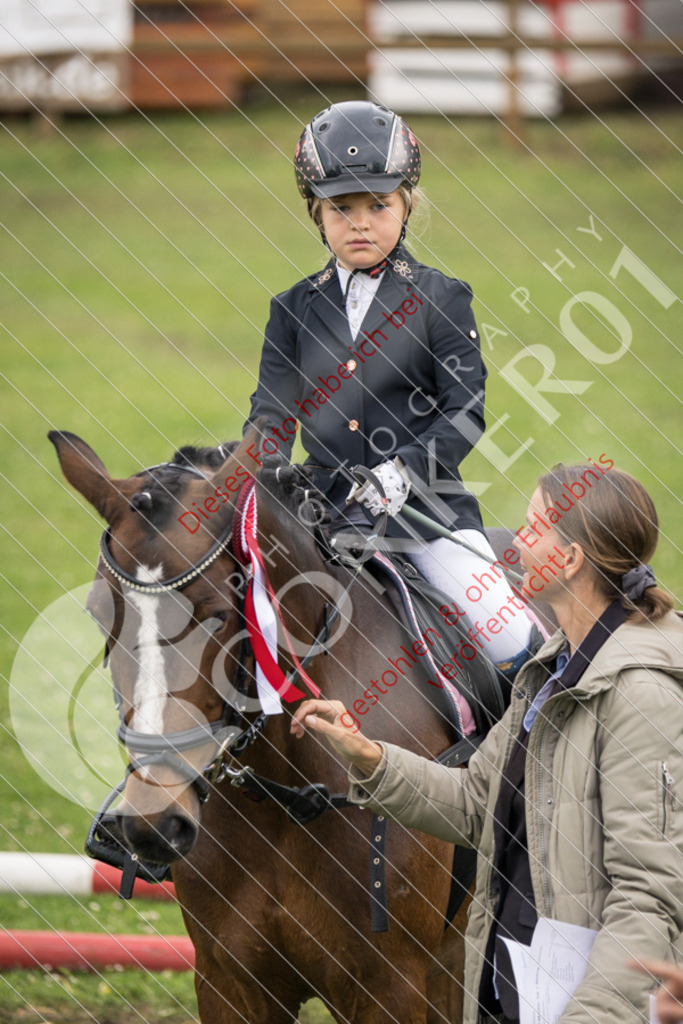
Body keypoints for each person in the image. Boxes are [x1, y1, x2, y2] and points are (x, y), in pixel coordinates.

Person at [291, 463, 683, 1024]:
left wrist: (591, 1016)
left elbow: (647, 898)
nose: (515, 544)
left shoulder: (641, 694)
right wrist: (369, 758)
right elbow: (479, 802)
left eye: (531, 528)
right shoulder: (551, 671)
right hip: (512, 986)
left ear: (569, 560)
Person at [245, 99, 533, 701]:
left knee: (506, 633)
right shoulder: (292, 309)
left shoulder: (441, 298)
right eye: (340, 209)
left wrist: (404, 472)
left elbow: (465, 411)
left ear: (408, 204)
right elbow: (271, 415)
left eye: (378, 205)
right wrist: (257, 468)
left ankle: (531, 758)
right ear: (315, 214)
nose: (360, 223)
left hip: (422, 514)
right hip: (319, 515)